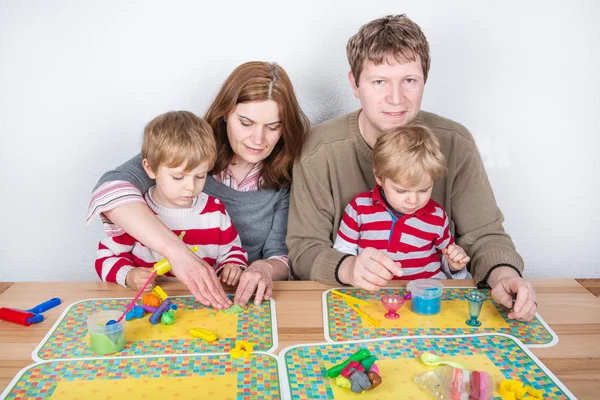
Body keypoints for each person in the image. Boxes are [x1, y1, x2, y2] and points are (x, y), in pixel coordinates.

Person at [287, 14, 538, 321]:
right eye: (379, 82)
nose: (396, 99)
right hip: (351, 309)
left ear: (424, 80)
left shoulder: (456, 142)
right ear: (354, 83)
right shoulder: (319, 150)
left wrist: (503, 274)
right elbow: (303, 248)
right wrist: (348, 267)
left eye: (409, 81)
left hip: (434, 309)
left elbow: (484, 234)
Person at [87, 62, 309, 308]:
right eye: (246, 123)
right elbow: (109, 191)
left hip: (235, 299)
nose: (258, 139)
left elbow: (281, 252)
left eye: (272, 127)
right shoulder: (189, 152)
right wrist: (179, 255)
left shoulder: (285, 172)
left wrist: (263, 268)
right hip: (170, 295)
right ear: (225, 114)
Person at [95, 111, 248, 291]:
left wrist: (232, 267)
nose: (190, 187)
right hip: (151, 306)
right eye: (178, 177)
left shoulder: (214, 210)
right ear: (150, 168)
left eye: (200, 176)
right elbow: (105, 257)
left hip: (200, 306)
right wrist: (129, 276)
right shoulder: (138, 212)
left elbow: (232, 251)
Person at [333, 125, 469, 280]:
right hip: (375, 293)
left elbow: (445, 256)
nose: (413, 201)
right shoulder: (359, 208)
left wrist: (453, 263)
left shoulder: (437, 216)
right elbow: (343, 252)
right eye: (401, 191)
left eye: (424, 190)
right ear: (379, 178)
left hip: (425, 294)